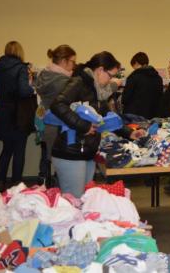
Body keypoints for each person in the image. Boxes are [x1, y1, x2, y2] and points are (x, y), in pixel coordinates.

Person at [49, 51, 144, 198]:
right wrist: (83, 126)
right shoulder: (79, 82)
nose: (111, 80)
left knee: (84, 201)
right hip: (71, 153)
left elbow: (106, 116)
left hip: (87, 152)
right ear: (100, 70)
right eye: (110, 75)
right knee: (74, 203)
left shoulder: (97, 91)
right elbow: (57, 105)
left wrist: (129, 133)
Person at [0, 41, 36, 191]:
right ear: (19, 52)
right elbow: (24, 91)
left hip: (4, 113)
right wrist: (32, 88)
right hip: (19, 114)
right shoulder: (21, 68)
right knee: (19, 151)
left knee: (6, 150)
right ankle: (17, 185)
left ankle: (0, 182)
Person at [34, 44, 77, 187]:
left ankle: (43, 185)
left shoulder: (44, 75)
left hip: (41, 118)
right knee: (59, 157)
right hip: (57, 120)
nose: (74, 65)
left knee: (45, 154)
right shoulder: (62, 80)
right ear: (64, 61)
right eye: (72, 61)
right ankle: (58, 190)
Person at [122, 52, 163, 119]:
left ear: (136, 63)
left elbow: (125, 98)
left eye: (134, 67)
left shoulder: (134, 77)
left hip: (134, 114)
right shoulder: (158, 78)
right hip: (152, 115)